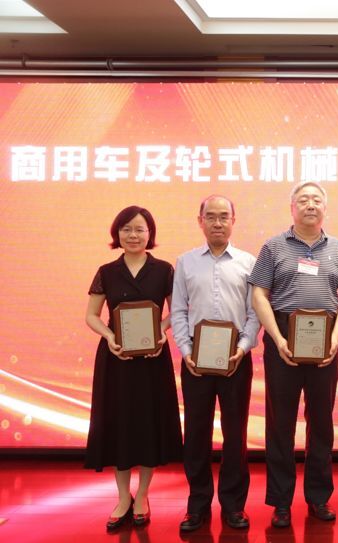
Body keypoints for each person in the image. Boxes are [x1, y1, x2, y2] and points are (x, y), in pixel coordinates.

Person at [250, 181, 338, 528]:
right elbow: (259, 295)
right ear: (292, 208)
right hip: (283, 337)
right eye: (303, 200)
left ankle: (319, 498)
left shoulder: (337, 248)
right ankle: (281, 502)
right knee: (280, 423)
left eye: (317, 200)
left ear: (325, 207)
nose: (311, 205)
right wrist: (278, 338)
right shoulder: (273, 246)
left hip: (325, 339)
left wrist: (336, 338)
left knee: (321, 422)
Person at [85, 205, 183, 531]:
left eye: (140, 229)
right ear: (117, 233)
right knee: (120, 426)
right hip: (117, 360)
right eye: (126, 229)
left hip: (152, 360)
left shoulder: (164, 270)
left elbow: (176, 311)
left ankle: (142, 495)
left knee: (148, 425)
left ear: (150, 234)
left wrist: (161, 331)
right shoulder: (107, 272)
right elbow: (91, 316)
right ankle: (122, 497)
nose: (133, 235)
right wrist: (110, 336)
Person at [171, 195, 260, 532]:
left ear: (233, 221)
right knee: (196, 434)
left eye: (224, 216)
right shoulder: (185, 262)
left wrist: (242, 347)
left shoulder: (249, 262)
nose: (218, 223)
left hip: (236, 360)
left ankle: (234, 505)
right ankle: (197, 505)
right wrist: (186, 350)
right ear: (200, 221)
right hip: (196, 361)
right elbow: (178, 310)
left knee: (235, 434)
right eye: (211, 216)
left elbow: (254, 312)